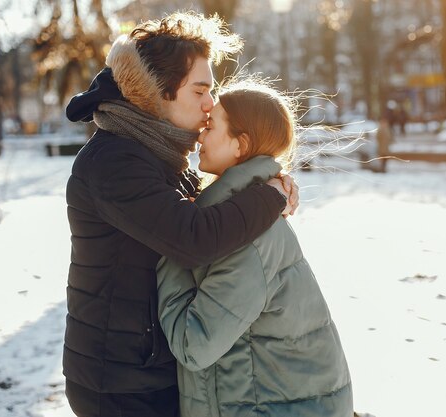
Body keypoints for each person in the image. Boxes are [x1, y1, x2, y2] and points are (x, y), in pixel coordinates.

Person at [63, 12, 298, 417]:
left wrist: (261, 181)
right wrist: (269, 197)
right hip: (118, 386)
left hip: (146, 370)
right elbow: (194, 238)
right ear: (157, 91)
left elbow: (204, 212)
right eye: (200, 91)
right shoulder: (116, 162)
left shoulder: (154, 154)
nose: (211, 103)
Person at [156, 81, 353, 417]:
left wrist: (171, 249)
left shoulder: (248, 237)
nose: (199, 137)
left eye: (211, 127)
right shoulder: (241, 215)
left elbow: (195, 345)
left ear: (240, 144)